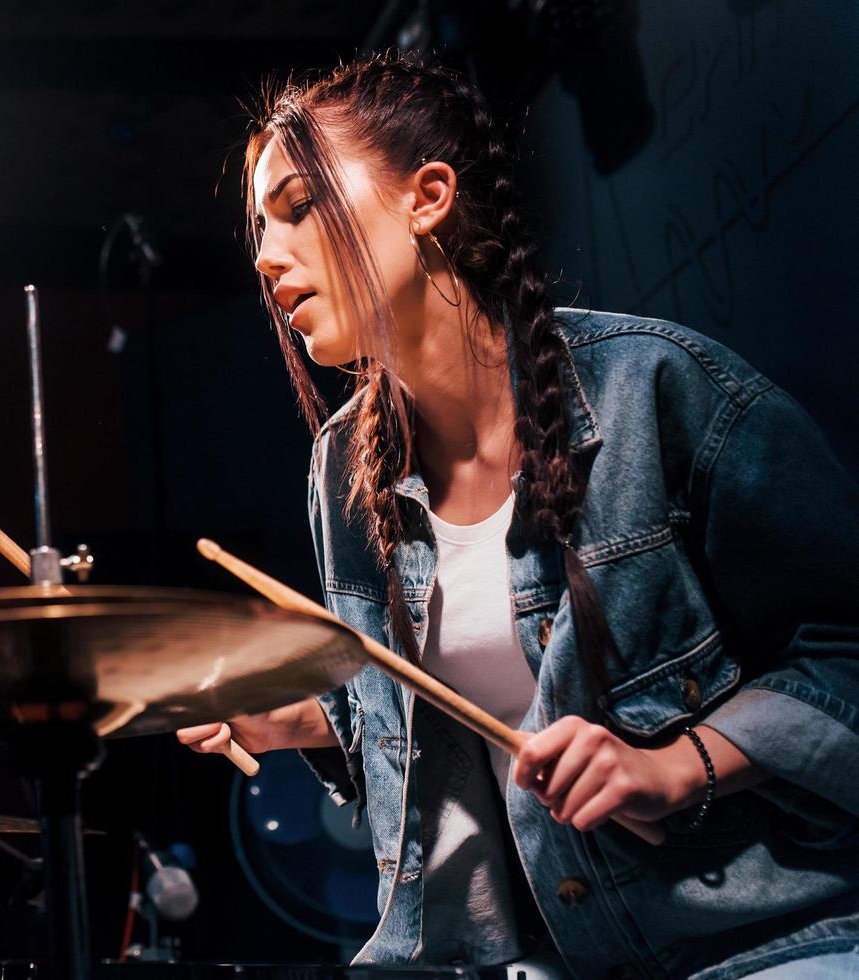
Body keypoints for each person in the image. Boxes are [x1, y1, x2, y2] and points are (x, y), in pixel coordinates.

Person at [177, 52, 859, 979]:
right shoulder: (342, 463)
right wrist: (296, 717)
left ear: (428, 197)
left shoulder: (659, 388)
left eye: (299, 206)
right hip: (536, 957)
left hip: (758, 939)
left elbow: (845, 648)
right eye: (258, 226)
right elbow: (435, 712)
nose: (264, 254)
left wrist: (678, 763)